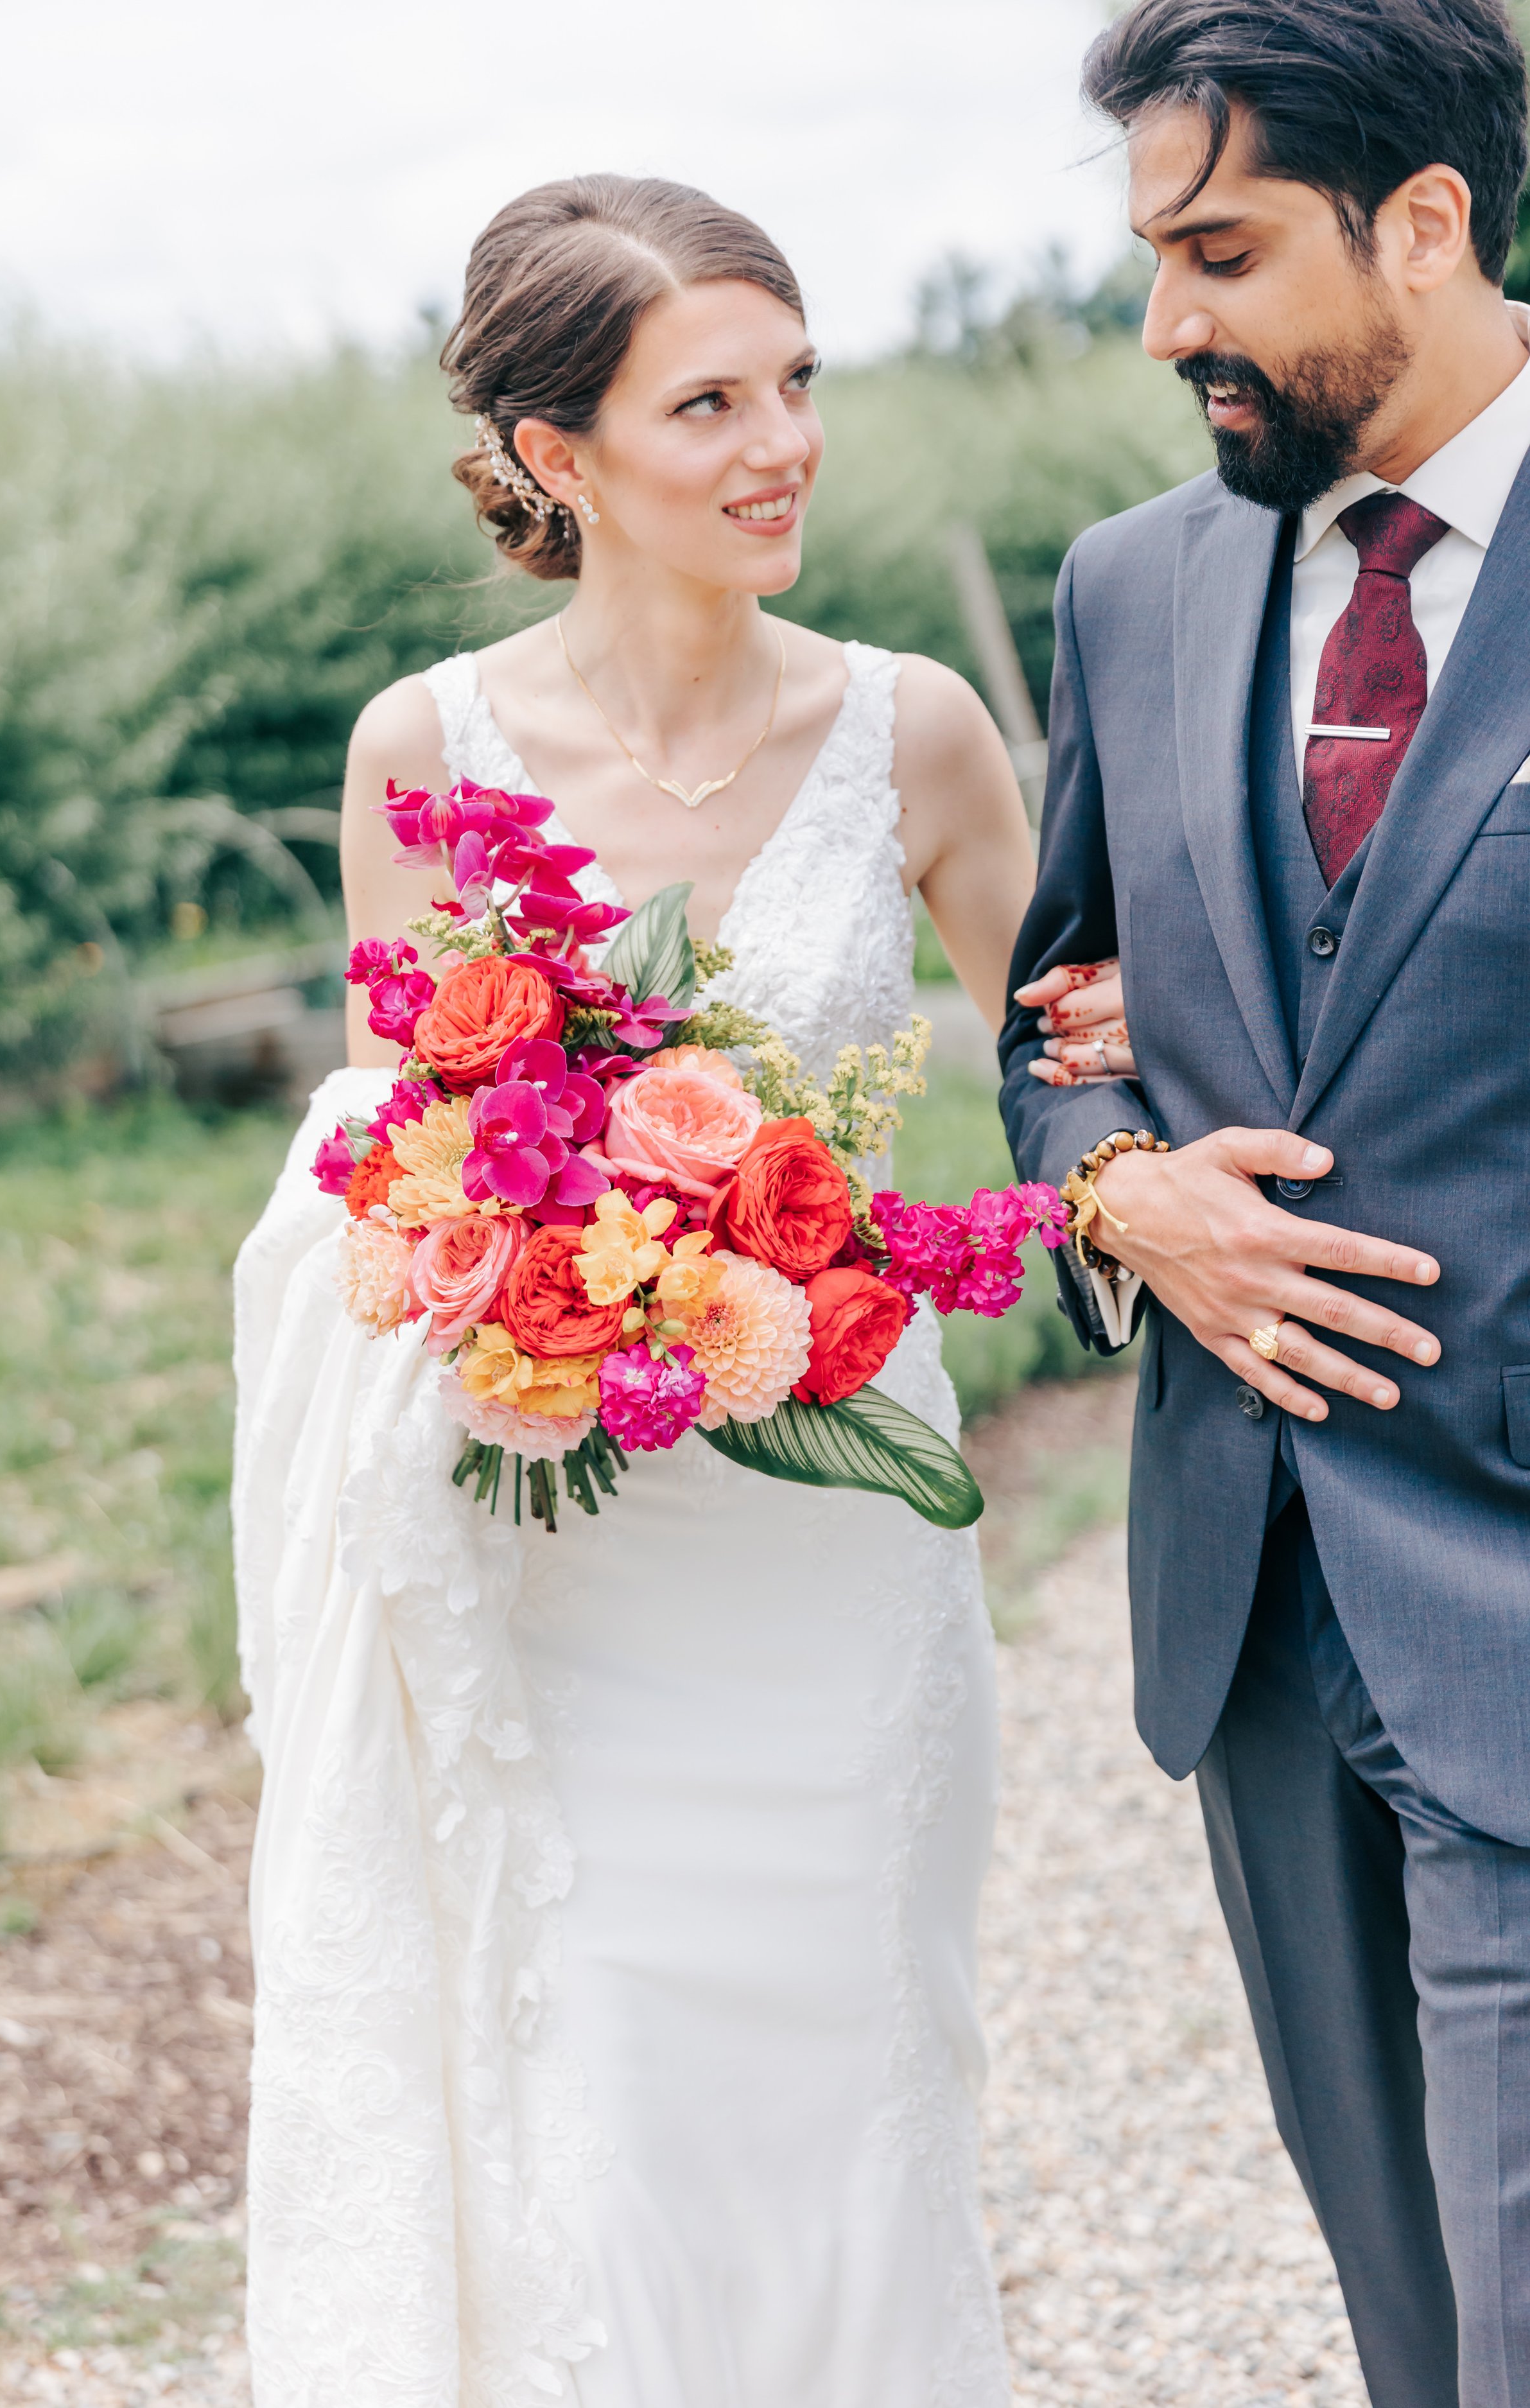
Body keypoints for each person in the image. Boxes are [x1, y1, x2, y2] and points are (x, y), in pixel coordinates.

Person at [232, 174, 1127, 2405]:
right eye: (707, 399)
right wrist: (521, 1261)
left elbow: (1075, 1065)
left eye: (797, 383)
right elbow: (392, 1160)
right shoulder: (420, 756)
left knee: (846, 2077)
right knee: (599, 2087)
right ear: (555, 457)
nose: (782, 443)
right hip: (565, 1550)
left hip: (836, 1540)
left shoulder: (915, 732)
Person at [1001, 5, 1530, 2403]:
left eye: (1218, 254)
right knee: (1413, 2323)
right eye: (1148, 257)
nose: (1162, 326)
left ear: (1423, 220)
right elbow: (1053, 1021)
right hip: (1256, 1607)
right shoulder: (1132, 587)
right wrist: (1121, 1195)